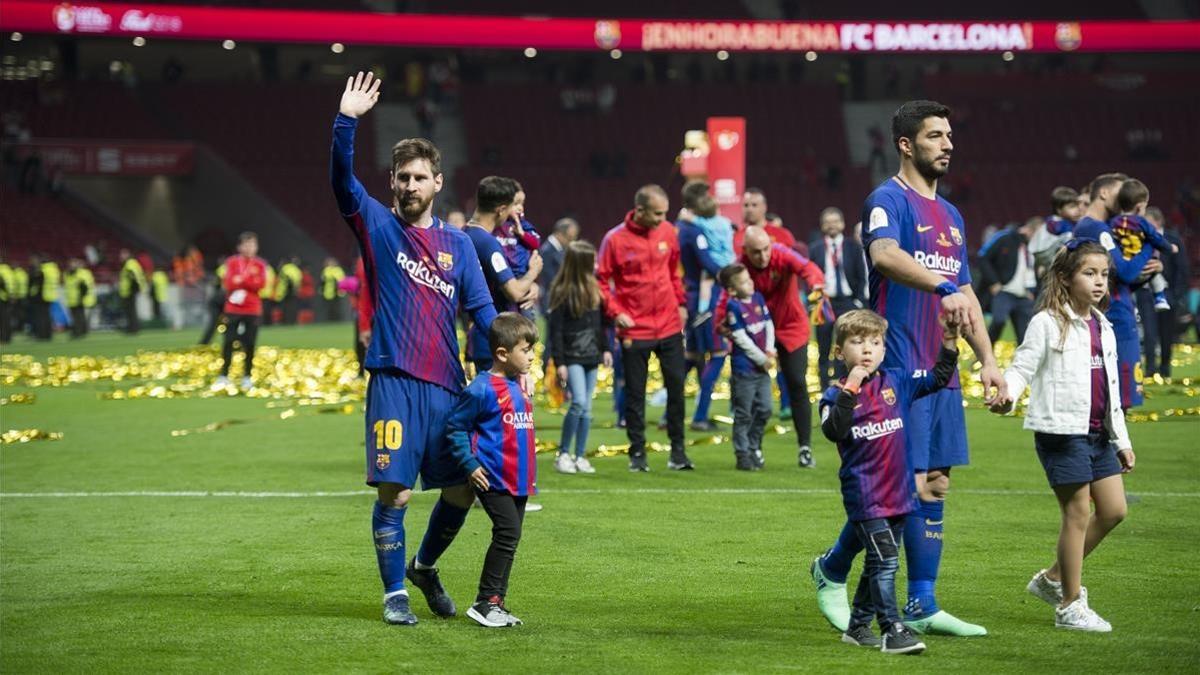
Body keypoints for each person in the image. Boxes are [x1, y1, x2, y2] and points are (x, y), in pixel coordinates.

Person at [812, 100, 1005, 638]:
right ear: (906, 144)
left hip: (939, 366)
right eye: (935, 136)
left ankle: (922, 601)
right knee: (901, 489)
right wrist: (942, 286)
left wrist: (988, 360)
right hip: (895, 367)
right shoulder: (888, 199)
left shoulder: (953, 217)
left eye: (949, 135)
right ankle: (831, 569)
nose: (948, 144)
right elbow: (886, 256)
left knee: (936, 483)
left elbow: (964, 292)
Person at [332, 71, 500, 626]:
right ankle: (393, 595)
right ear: (392, 182)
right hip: (393, 381)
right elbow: (340, 180)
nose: (409, 185)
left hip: (447, 388)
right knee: (396, 495)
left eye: (419, 177)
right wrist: (346, 121)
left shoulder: (459, 245)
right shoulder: (375, 224)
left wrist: (509, 363)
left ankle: (423, 567)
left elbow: (483, 311)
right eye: (401, 176)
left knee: (461, 493)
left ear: (437, 183)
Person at [992, 240, 1134, 632]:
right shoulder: (1046, 321)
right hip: (1060, 432)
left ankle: (1053, 578)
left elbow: (1110, 390)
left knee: (1114, 511)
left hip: (1097, 435)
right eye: (1090, 273)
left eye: (1104, 274)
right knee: (1077, 513)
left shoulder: (1103, 327)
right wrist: (1007, 393)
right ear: (1066, 278)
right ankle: (1069, 605)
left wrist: (1121, 440)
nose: (1099, 282)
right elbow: (1022, 366)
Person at [820, 309, 960, 654]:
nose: (867, 349)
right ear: (840, 352)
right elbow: (833, 430)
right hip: (866, 496)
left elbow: (939, 378)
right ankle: (892, 629)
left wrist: (949, 341)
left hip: (899, 493)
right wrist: (851, 387)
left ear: (884, 349)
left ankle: (856, 627)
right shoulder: (834, 395)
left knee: (876, 563)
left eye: (875, 342)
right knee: (885, 562)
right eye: (857, 342)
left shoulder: (897, 380)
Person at [446, 313, 540, 627]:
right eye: (525, 351)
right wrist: (470, 465)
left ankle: (496, 602)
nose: (531, 357)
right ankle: (486, 601)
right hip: (494, 478)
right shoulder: (481, 389)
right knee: (507, 533)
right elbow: (456, 428)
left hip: (520, 480)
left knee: (511, 537)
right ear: (502, 353)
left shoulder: (519, 385)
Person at [597, 184, 693, 472]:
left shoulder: (667, 232)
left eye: (665, 213)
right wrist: (616, 312)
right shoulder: (614, 240)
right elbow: (601, 281)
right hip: (634, 329)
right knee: (635, 393)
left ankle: (678, 452)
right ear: (639, 210)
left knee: (676, 388)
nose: (663, 218)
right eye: (658, 213)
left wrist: (682, 303)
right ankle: (637, 453)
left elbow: (674, 272)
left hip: (669, 325)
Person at [718, 227, 825, 467]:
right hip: (755, 336)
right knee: (753, 400)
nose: (763, 256)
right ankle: (752, 448)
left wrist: (816, 285)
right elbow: (725, 297)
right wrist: (720, 323)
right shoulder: (740, 267)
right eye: (756, 252)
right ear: (746, 251)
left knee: (797, 383)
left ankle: (805, 447)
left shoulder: (782, 253)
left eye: (766, 249)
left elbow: (807, 268)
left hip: (791, 328)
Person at [1072, 173, 1163, 409]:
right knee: (1118, 402)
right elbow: (1124, 273)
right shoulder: (1098, 229)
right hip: (1114, 319)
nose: (1125, 199)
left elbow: (1119, 280)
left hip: (1110, 312)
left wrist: (1151, 271)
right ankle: (1114, 448)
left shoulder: (1091, 226)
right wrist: (1149, 249)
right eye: (1119, 192)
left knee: (1115, 401)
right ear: (1104, 193)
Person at [464, 176, 543, 373]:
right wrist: (533, 273)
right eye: (510, 207)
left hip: (481, 338)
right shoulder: (488, 243)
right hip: (497, 340)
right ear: (500, 209)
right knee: (507, 403)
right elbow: (514, 292)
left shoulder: (464, 234)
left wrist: (530, 286)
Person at [547, 240, 610, 475]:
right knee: (579, 403)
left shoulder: (594, 289)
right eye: (592, 260)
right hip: (572, 355)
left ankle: (580, 455)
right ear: (581, 264)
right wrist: (560, 362)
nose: (596, 264)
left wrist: (605, 349)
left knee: (588, 408)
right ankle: (563, 453)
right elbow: (557, 332)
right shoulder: (562, 292)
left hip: (591, 354)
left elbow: (600, 325)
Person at [676, 181, 734, 432]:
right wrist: (731, 275)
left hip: (694, 296)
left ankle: (672, 413)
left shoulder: (684, 227)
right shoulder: (694, 230)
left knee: (692, 356)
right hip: (706, 299)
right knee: (718, 354)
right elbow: (707, 263)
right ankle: (699, 416)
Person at [718, 263, 774, 471]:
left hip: (763, 367)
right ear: (732, 290)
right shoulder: (733, 307)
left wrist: (769, 350)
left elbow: (768, 324)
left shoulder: (758, 298)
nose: (750, 283)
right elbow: (740, 338)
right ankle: (742, 454)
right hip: (745, 370)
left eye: (749, 279)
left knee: (766, 409)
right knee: (744, 414)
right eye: (743, 282)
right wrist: (761, 358)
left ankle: (753, 444)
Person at [810, 207, 868, 389]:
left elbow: (861, 275)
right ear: (822, 226)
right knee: (824, 345)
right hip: (825, 303)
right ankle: (824, 385)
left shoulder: (853, 247)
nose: (831, 225)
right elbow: (810, 276)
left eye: (835, 221)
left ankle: (844, 380)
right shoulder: (816, 249)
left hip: (849, 302)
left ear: (842, 224)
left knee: (847, 343)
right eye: (827, 221)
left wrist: (858, 301)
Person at [215, 232, 268, 390]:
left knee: (250, 343)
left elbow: (261, 284)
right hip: (233, 308)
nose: (250, 248)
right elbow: (229, 283)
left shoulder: (260, 264)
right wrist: (248, 282)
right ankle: (224, 375)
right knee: (228, 341)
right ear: (239, 247)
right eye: (246, 244)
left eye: (253, 244)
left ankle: (247, 376)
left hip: (252, 309)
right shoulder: (232, 262)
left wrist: (243, 280)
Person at [1142, 206, 1189, 378]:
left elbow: (1182, 268)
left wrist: (1176, 294)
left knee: (1166, 333)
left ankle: (1165, 367)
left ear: (1158, 221)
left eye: (1147, 222)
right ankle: (1150, 368)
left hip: (1168, 293)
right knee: (1149, 332)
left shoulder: (1172, 239)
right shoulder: (1139, 240)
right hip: (1146, 293)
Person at [980, 217, 1039, 344]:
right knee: (998, 321)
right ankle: (985, 355)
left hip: (1024, 296)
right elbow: (983, 258)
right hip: (1005, 291)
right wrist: (994, 282)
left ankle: (1022, 362)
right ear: (1029, 230)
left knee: (1025, 334)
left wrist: (1032, 291)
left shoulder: (1032, 248)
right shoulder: (1006, 238)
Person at [1029, 186, 1082, 281]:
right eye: (1072, 207)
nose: (1078, 209)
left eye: (1078, 206)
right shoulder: (1055, 224)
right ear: (1059, 209)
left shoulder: (1066, 223)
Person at [734, 188, 795, 254]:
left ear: (764, 207)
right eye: (746, 205)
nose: (749, 209)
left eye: (754, 205)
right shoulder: (736, 237)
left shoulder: (782, 235)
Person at [537, 217, 578, 314]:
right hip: (552, 301)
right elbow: (550, 279)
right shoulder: (547, 251)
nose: (571, 242)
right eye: (569, 238)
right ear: (560, 234)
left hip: (558, 299)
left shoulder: (559, 249)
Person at [28, 254, 60, 341]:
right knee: (47, 316)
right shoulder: (54, 269)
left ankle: (41, 335)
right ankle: (48, 334)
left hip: (41, 295)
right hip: (50, 295)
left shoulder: (42, 270)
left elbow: (35, 282)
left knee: (41, 317)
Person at [64, 258, 96, 339]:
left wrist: (81, 297)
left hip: (80, 298)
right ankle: (80, 331)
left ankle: (79, 332)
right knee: (77, 317)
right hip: (73, 299)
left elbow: (85, 287)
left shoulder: (80, 274)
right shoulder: (69, 274)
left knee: (79, 317)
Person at [117, 248, 147, 334]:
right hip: (128, 291)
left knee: (131, 311)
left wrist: (134, 289)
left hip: (129, 291)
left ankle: (133, 328)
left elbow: (134, 277)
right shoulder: (130, 263)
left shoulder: (129, 264)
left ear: (127, 254)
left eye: (123, 254)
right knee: (130, 310)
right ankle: (132, 327)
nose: (121, 256)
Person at [320, 257, 346, 322]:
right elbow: (322, 281)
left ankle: (337, 320)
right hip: (327, 293)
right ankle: (329, 320)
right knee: (328, 308)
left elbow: (341, 280)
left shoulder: (338, 270)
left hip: (336, 292)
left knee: (336, 308)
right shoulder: (326, 270)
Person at [0, 257, 13, 344]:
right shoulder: (8, 270)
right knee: (6, 318)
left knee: (2, 319)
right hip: (7, 297)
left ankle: (3, 337)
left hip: (1, 296)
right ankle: (7, 337)